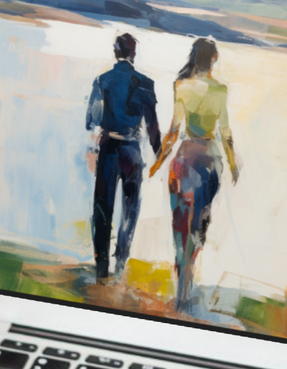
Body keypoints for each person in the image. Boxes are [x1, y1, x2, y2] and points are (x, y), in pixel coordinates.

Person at [148, 38, 239, 311]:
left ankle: (181, 287)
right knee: (200, 224)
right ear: (213, 59)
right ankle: (187, 283)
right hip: (210, 160)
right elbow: (225, 132)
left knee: (180, 225)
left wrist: (157, 163)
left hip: (184, 159)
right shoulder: (221, 89)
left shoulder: (181, 86)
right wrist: (233, 164)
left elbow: (174, 131)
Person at [86, 33, 161, 283]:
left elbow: (92, 120)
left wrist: (92, 147)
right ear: (133, 53)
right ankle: (120, 263)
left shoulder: (103, 80)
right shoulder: (145, 83)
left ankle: (100, 267)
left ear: (115, 51)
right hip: (132, 150)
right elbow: (152, 126)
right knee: (130, 210)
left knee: (102, 208)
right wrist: (159, 154)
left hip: (108, 148)